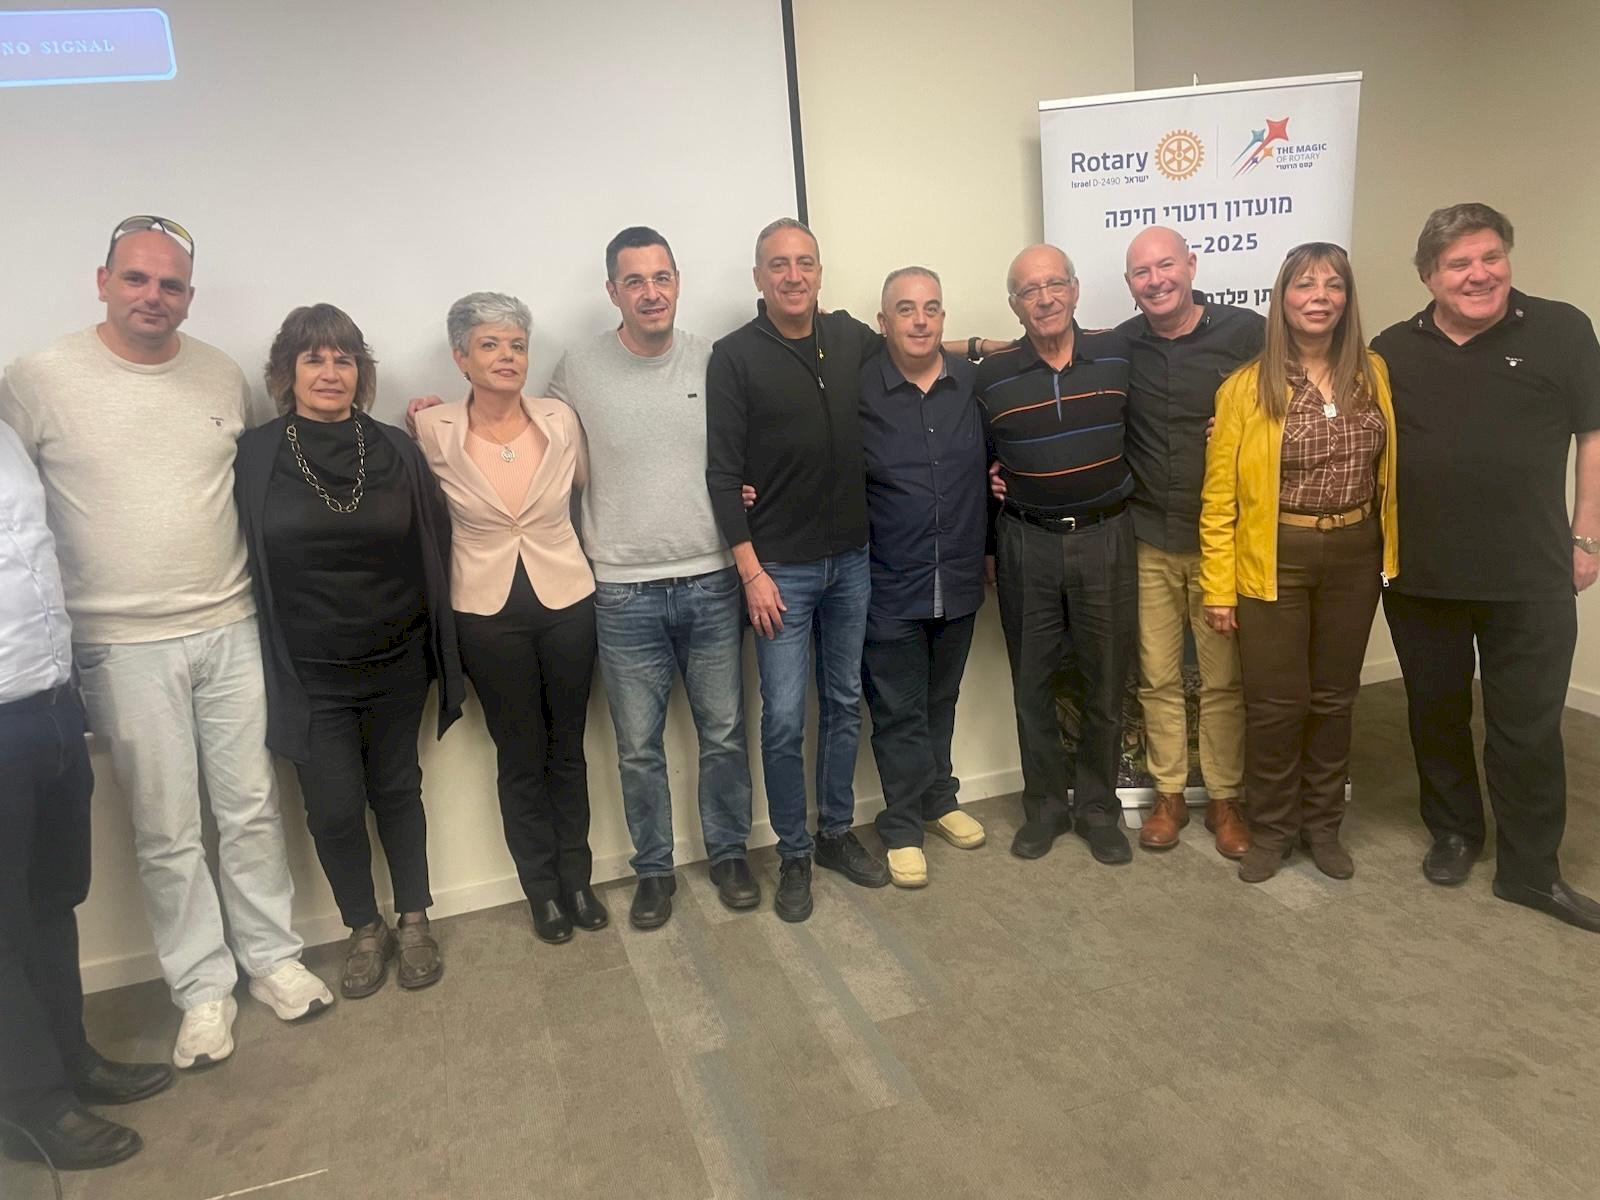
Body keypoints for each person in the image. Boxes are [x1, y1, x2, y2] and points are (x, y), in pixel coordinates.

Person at [0, 215, 332, 1071]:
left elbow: (266, 464)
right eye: (137, 279)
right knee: (167, 828)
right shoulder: (38, 379)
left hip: (230, 624)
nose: (154, 296)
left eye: (171, 284)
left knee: (251, 807)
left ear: (189, 295)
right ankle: (201, 991)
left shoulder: (220, 374)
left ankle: (272, 960)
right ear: (103, 281)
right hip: (120, 644)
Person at [1373, 203, 1600, 931]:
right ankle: (1454, 833)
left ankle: (1531, 870)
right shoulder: (1390, 349)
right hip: (1421, 577)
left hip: (1531, 574)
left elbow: (1594, 434)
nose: (1479, 274)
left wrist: (1587, 536)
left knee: (1527, 728)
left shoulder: (1563, 329)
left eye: (1490, 257)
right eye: (1459, 263)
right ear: (1428, 276)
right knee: (1435, 713)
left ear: (1507, 258)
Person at [234, 304, 463, 997]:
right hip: (308, 671)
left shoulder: (394, 448)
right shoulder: (255, 456)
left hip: (397, 659)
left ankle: (414, 918)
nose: (330, 372)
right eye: (314, 359)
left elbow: (436, 538)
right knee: (333, 808)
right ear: (287, 371)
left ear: (361, 371)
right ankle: (363, 926)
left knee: (397, 790)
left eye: (344, 359)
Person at [549, 227, 758, 930]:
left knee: (723, 734)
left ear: (677, 282)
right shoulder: (578, 367)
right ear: (613, 291)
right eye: (634, 281)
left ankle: (730, 854)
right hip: (622, 589)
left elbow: (750, 445)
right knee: (638, 749)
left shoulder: (713, 360)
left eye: (661, 277)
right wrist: (437, 411)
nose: (650, 292)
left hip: (711, 578)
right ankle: (654, 871)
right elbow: (523, 426)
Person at [0, 421, 174, 1171]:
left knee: (52, 899)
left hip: (50, 701)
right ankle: (30, 1106)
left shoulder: (7, 434)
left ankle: (71, 1060)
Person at [704, 218, 889, 922]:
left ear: (819, 271)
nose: (792, 275)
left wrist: (992, 348)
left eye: (804, 262)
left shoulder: (847, 337)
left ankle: (836, 832)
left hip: (853, 562)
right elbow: (723, 475)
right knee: (783, 718)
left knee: (842, 701)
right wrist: (751, 573)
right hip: (780, 570)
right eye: (777, 264)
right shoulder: (734, 356)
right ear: (758, 277)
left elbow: (916, 345)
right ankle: (794, 853)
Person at [1200, 243, 1398, 884]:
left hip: (1355, 552)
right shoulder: (1246, 387)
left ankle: (1323, 827)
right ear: (1282, 298)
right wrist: (1218, 587)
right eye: (1305, 284)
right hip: (1275, 556)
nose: (1320, 297)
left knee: (1335, 700)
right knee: (1276, 705)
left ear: (1347, 298)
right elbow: (1219, 498)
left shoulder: (1374, 374)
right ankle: (1273, 830)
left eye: (1333, 285)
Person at [414, 292, 605, 945]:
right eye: (490, 344)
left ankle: (578, 881)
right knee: (520, 757)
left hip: (567, 602)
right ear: (461, 357)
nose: (507, 356)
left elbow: (592, 485)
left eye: (517, 345)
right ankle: (542, 892)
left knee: (568, 751)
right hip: (485, 614)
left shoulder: (559, 418)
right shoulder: (430, 429)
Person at [978, 244, 1137, 866]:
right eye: (1028, 290)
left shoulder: (1119, 353)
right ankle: (1044, 807)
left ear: (1075, 288)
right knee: (1033, 684)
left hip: (1107, 536)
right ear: (1013, 305)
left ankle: (1097, 808)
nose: (1044, 299)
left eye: (1054, 284)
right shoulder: (991, 376)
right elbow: (973, 460)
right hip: (1027, 541)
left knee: (1106, 679)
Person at [1118, 227, 1262, 857]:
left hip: (1220, 542)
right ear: (1130, 285)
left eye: (1166, 265)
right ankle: (1169, 795)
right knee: (1156, 677)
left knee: (1224, 681)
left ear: (1192, 265)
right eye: (1141, 272)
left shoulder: (1248, 334)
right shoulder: (1121, 344)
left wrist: (1247, 425)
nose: (1156, 281)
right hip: (1148, 536)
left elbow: (1299, 399)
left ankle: (1226, 799)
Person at [857, 267, 989, 887]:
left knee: (942, 698)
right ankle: (903, 825)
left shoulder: (971, 384)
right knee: (897, 711)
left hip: (959, 573)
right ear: (883, 322)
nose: (920, 320)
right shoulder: (859, 390)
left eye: (931, 308)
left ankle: (939, 799)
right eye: (906, 309)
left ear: (943, 318)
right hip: (889, 579)